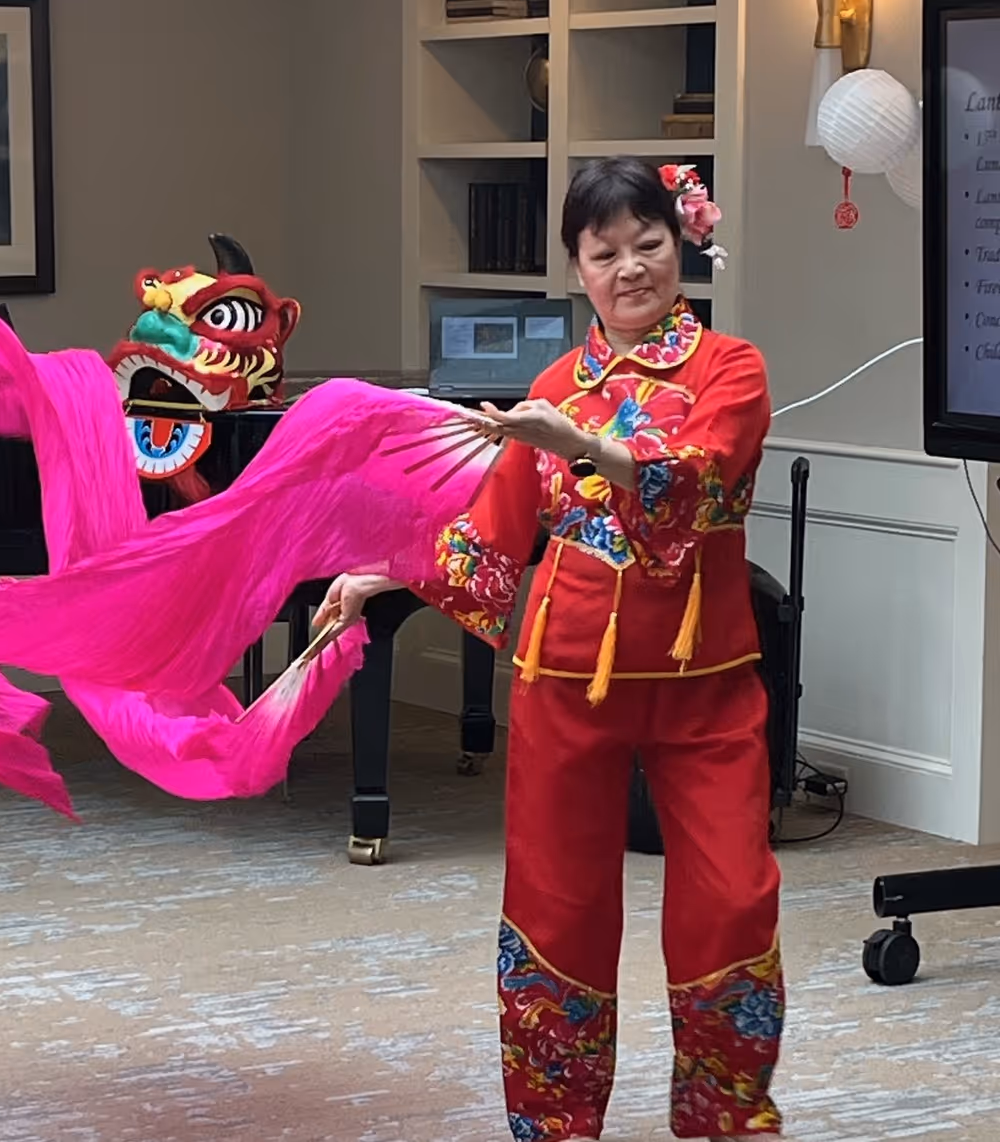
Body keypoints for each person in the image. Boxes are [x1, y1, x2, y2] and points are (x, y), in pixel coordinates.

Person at [314, 157, 784, 1141]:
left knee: (731, 902)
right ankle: (556, 1124)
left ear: (682, 244)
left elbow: (698, 479)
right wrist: (377, 577)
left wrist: (583, 447)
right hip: (566, 680)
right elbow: (495, 530)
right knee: (557, 909)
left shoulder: (730, 368)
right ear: (577, 267)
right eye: (604, 253)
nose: (630, 269)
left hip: (705, 684)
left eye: (648, 244)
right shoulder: (554, 387)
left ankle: (726, 1119)